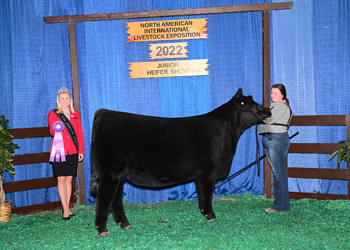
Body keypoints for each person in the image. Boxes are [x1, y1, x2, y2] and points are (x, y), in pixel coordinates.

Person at [48, 87, 84, 220]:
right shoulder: (53, 114)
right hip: (59, 150)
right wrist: (56, 128)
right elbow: (52, 132)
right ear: (59, 100)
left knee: (69, 179)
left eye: (67, 98)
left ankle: (68, 207)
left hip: (73, 150)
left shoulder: (76, 114)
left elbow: (79, 133)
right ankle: (65, 209)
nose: (65, 101)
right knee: (61, 179)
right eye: (62, 98)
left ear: (70, 99)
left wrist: (81, 151)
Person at [260, 84, 292, 213]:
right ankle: (284, 206)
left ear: (282, 95)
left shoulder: (282, 107)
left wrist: (257, 114)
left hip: (277, 139)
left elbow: (268, 119)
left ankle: (278, 206)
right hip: (271, 139)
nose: (273, 95)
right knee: (278, 173)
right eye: (272, 93)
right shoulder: (274, 106)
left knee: (279, 173)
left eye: (276, 93)